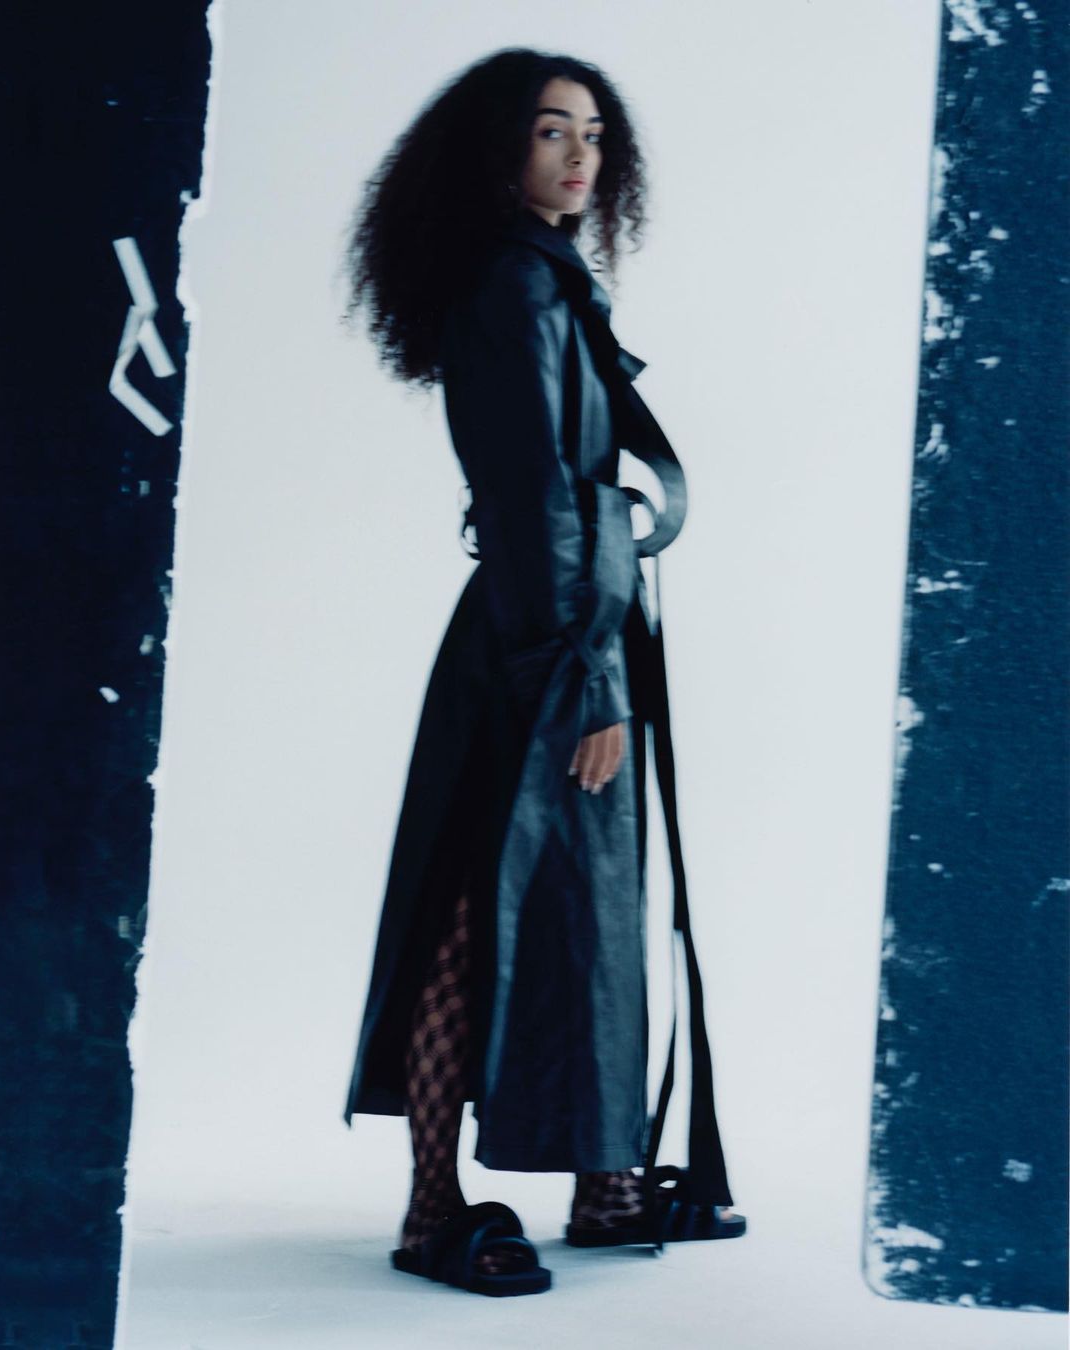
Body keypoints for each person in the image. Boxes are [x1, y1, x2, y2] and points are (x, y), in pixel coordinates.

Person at [339, 47, 744, 1297]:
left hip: (563, 626)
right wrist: (587, 679)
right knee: (479, 906)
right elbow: (532, 500)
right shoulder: (515, 287)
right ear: (498, 149)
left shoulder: (545, 278)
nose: (581, 156)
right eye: (552, 130)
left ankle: (606, 1182)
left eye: (595, 134)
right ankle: (431, 1213)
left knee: (583, 907)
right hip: (545, 641)